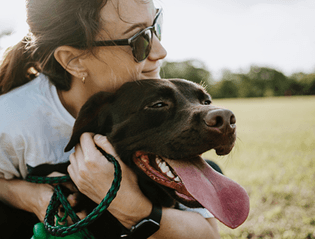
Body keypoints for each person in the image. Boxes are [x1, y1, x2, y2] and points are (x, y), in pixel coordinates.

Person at [0, 0, 221, 238]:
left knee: (211, 168)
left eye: (156, 26)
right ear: (74, 61)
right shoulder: (10, 119)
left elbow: (208, 235)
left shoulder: (155, 95)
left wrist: (128, 203)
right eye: (139, 40)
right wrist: (32, 197)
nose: (160, 51)